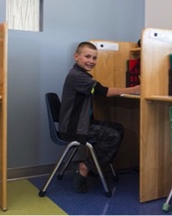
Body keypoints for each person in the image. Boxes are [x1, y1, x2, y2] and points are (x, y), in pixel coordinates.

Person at [58, 41, 140, 193]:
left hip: (78, 123)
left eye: (94, 58)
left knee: (118, 128)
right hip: (73, 128)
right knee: (113, 136)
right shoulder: (77, 76)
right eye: (87, 56)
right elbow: (104, 91)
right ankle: (85, 167)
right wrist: (134, 90)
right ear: (76, 57)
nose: (91, 61)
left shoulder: (81, 75)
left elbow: (99, 89)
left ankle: (95, 165)